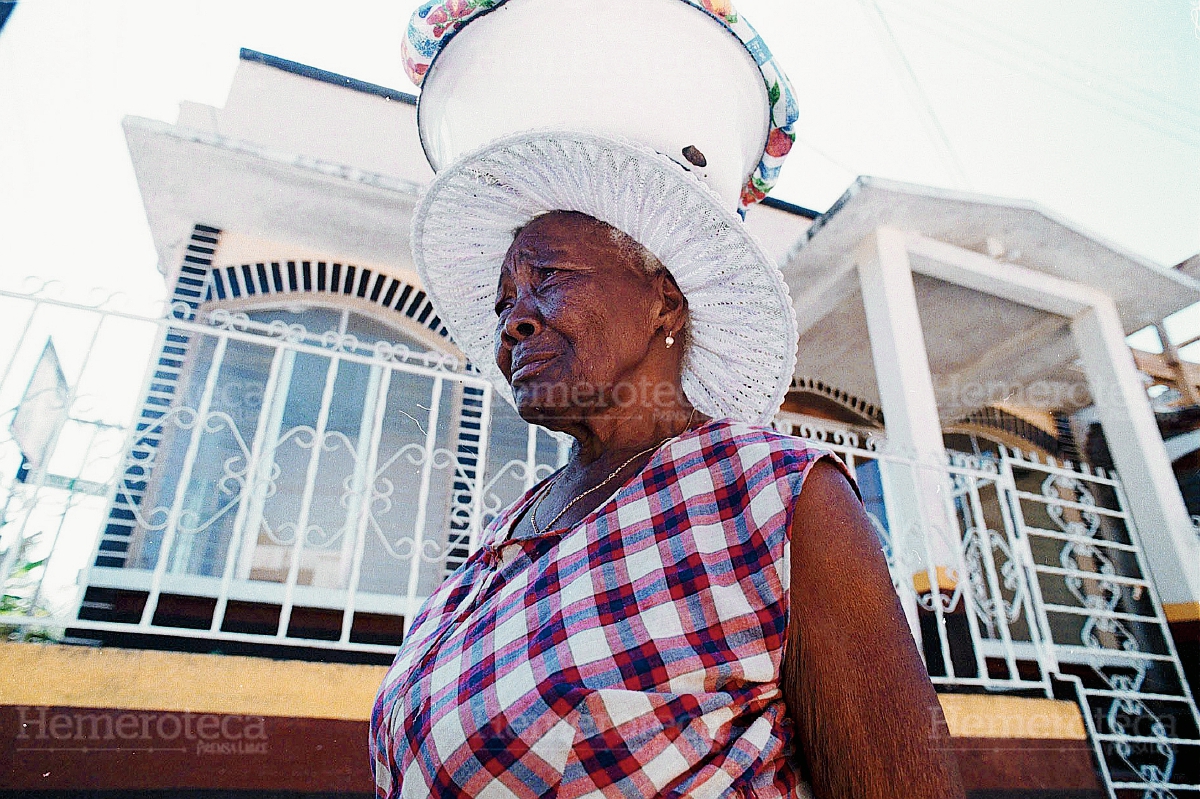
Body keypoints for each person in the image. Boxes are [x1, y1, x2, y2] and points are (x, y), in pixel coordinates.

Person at [373, 1, 965, 796]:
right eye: (503, 296)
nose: (512, 317)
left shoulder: (777, 496)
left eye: (545, 277)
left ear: (664, 299)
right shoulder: (504, 536)